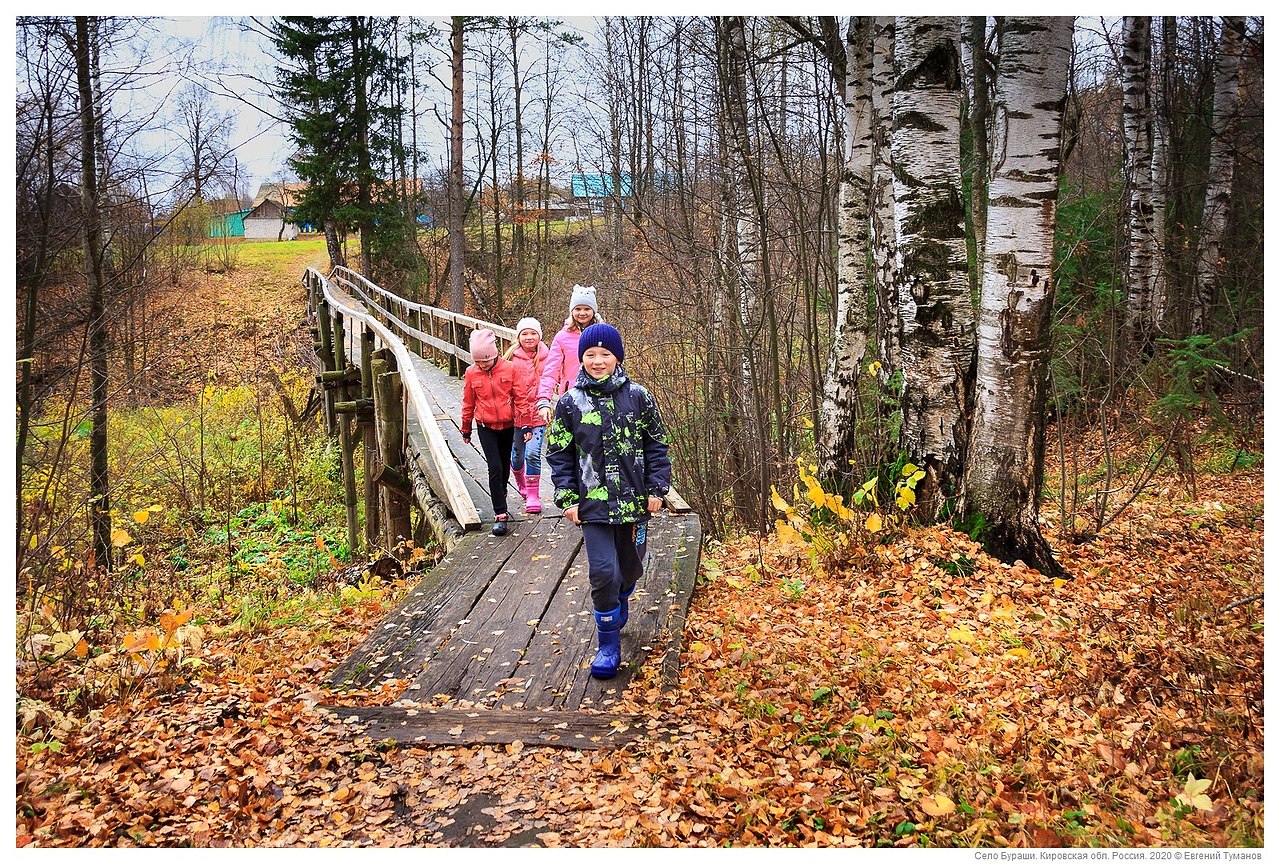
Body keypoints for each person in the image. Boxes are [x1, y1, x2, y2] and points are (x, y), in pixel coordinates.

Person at [545, 323, 671, 679]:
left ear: (617, 357)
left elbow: (657, 446)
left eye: (605, 354)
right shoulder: (570, 403)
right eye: (590, 355)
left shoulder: (639, 397)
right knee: (603, 573)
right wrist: (568, 498)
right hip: (593, 507)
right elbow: (558, 453)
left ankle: (622, 597)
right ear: (580, 358)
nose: (597, 361)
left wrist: (656, 489)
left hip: (635, 505)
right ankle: (608, 644)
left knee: (629, 571)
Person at [461, 328, 532, 536]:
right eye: (478, 362)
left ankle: (500, 492)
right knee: (494, 467)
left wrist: (526, 424)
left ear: (494, 355)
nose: (482, 365)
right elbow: (468, 403)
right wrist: (466, 428)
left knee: (503, 465)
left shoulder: (510, 369)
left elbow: (521, 397)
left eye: (485, 361)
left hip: (508, 425)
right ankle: (500, 513)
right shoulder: (471, 373)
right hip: (485, 426)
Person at [536, 284, 602, 426]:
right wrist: (544, 399)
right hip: (571, 397)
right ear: (572, 311)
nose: (582, 313)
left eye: (587, 309)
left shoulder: (603, 333)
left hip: (599, 396)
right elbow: (551, 370)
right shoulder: (562, 337)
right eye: (578, 309)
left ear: (593, 310)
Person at [504, 316, 548, 514]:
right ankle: (521, 483)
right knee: (517, 455)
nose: (529, 337)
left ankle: (533, 495)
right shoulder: (511, 357)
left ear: (539, 335)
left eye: (533, 333)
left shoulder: (547, 356)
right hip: (516, 417)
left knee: (532, 454)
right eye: (525, 334)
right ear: (518, 337)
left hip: (538, 414)